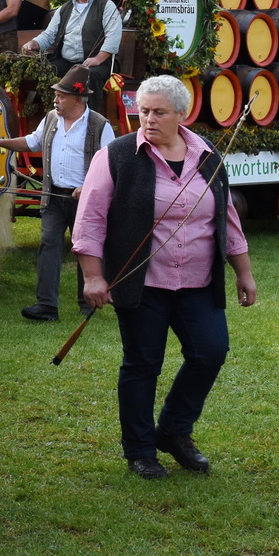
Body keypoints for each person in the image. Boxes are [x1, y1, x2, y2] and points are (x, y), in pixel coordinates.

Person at [73, 74, 257, 480]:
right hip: (143, 285)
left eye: (159, 112)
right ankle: (140, 451)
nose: (149, 119)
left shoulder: (207, 155)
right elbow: (90, 220)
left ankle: (173, 431)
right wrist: (92, 276)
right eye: (144, 111)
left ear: (181, 114)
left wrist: (243, 272)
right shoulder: (116, 156)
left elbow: (226, 217)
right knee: (142, 364)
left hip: (198, 283)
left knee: (210, 351)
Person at [0, 65, 114, 323]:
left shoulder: (99, 125)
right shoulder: (50, 119)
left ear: (78, 100)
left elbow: (110, 164)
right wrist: (1, 143)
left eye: (61, 96)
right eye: (56, 95)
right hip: (53, 196)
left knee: (85, 248)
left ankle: (87, 304)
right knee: (48, 245)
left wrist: (88, 187)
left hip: (85, 200)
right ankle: (46, 306)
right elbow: (31, 141)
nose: (55, 100)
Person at [22, 0, 123, 91]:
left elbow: (113, 37)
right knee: (46, 70)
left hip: (98, 62)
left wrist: (98, 59)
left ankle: (90, 105)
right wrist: (33, 43)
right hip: (67, 62)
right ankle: (53, 104)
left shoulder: (106, 6)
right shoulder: (64, 9)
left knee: (90, 75)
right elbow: (49, 35)